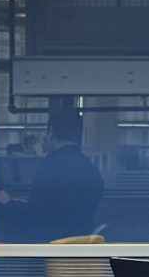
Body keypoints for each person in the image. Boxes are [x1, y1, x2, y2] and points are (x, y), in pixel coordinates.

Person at [27, 102, 105, 239]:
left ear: (51, 132)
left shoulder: (48, 167)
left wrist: (8, 203)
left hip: (49, 250)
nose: (44, 138)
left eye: (46, 132)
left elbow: (34, 215)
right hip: (79, 250)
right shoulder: (92, 170)